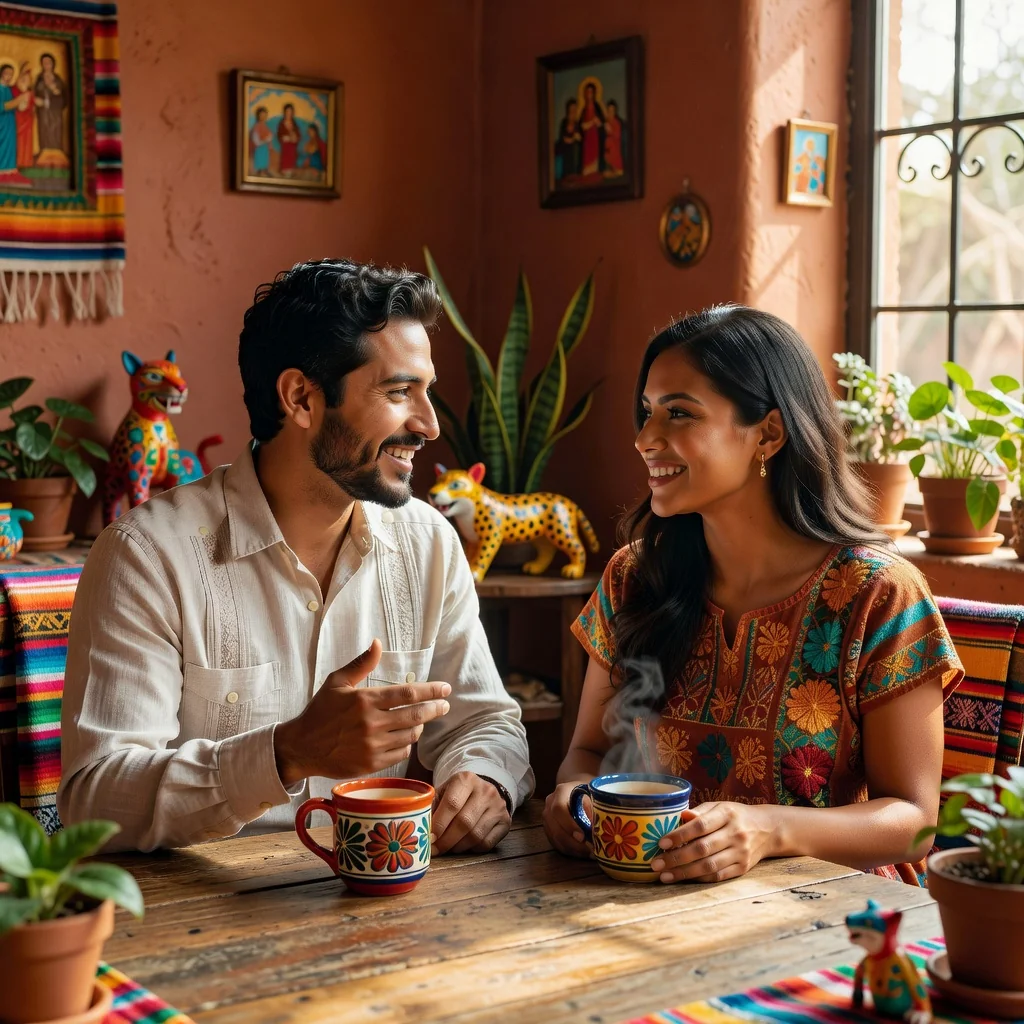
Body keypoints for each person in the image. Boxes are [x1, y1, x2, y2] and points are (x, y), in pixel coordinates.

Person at [59, 259, 534, 853]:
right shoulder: (147, 556)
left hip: (393, 911)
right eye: (398, 392)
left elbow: (485, 721)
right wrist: (285, 754)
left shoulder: (429, 543)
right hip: (198, 919)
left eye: (427, 392)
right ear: (301, 399)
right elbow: (95, 800)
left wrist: (484, 779)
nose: (430, 425)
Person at [543, 305, 963, 885]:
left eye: (679, 413)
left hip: (832, 916)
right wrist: (571, 800)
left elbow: (913, 822)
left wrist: (770, 830)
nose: (645, 439)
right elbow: (587, 754)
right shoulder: (635, 578)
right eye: (646, 413)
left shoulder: (878, 595)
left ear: (767, 433)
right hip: (650, 900)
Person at [33, 53, 68, 168]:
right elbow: (34, 92)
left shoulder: (58, 79)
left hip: (55, 110)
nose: (46, 65)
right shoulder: (39, 78)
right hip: (43, 110)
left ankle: (57, 156)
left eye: (49, 62)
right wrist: (36, 100)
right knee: (44, 129)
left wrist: (54, 88)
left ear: (53, 64)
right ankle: (44, 155)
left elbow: (64, 95)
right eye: (44, 63)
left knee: (55, 130)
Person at [578, 81, 605, 180]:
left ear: (594, 94)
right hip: (587, 139)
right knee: (586, 159)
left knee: (595, 159)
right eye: (587, 92)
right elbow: (581, 126)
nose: (589, 94)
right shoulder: (584, 109)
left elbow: (601, 123)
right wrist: (589, 123)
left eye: (591, 92)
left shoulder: (597, 107)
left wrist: (598, 122)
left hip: (595, 137)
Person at [13, 63, 35, 172]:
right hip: (18, 119)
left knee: (26, 141)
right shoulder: (15, 89)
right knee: (18, 140)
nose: (25, 81)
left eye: (27, 79)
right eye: (23, 79)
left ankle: (24, 162)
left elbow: (33, 103)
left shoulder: (30, 92)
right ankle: (17, 161)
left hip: (28, 120)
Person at [554, 98, 581, 183]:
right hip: (565, 151)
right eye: (572, 109)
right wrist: (573, 138)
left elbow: (580, 138)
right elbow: (563, 139)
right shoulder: (564, 122)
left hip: (575, 152)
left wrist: (578, 137)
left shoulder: (577, 124)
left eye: (575, 109)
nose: (574, 111)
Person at [602, 99, 624, 177]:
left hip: (614, 152)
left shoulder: (616, 123)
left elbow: (617, 136)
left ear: (615, 112)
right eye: (609, 111)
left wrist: (610, 130)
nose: (610, 113)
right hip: (607, 154)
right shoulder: (605, 123)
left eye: (612, 111)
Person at [249, 106, 273, 176]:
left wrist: (269, 140)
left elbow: (269, 136)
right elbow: (256, 140)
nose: (263, 117)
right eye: (261, 115)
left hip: (265, 147)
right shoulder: (256, 126)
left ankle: (265, 170)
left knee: (265, 159)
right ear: (258, 116)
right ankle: (259, 172)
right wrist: (266, 139)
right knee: (259, 159)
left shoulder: (265, 126)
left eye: (264, 115)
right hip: (259, 147)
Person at [277, 103, 300, 175]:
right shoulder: (282, 123)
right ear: (285, 112)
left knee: (292, 164)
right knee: (285, 164)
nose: (289, 113)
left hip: (292, 147)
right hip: (285, 147)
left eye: (290, 112)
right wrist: (284, 138)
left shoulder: (294, 123)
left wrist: (295, 138)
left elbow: (298, 135)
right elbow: (279, 135)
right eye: (287, 112)